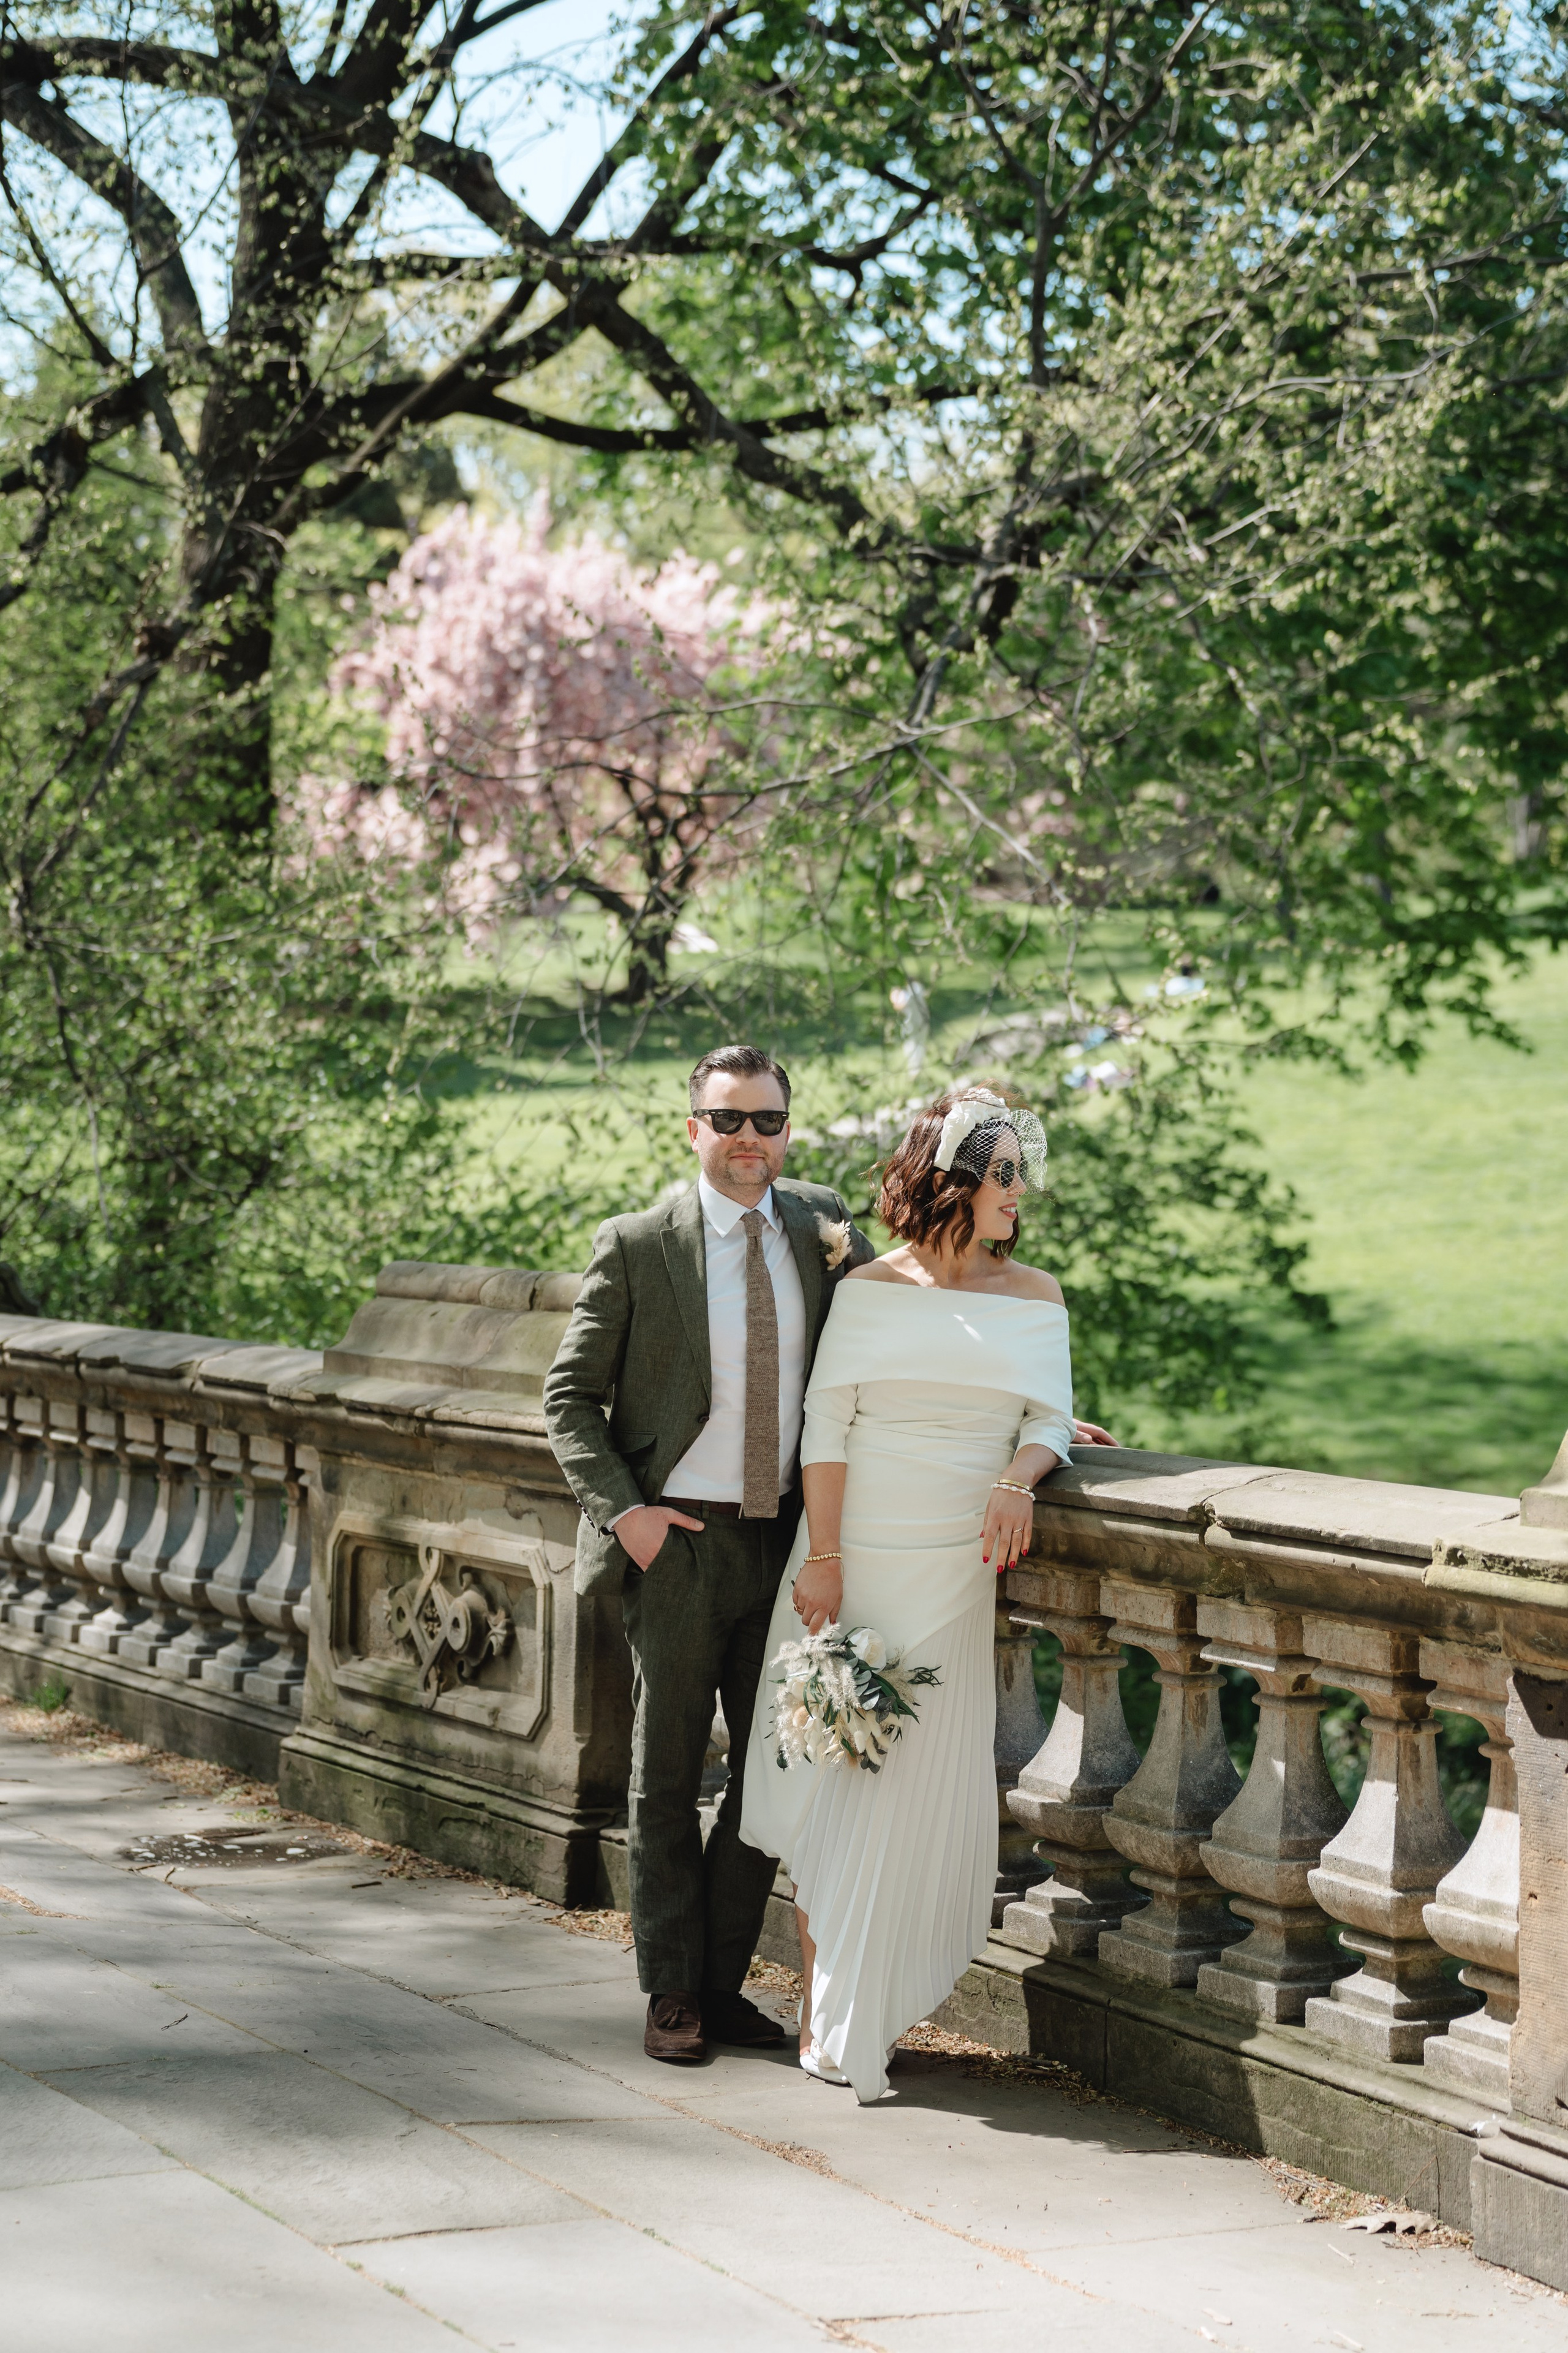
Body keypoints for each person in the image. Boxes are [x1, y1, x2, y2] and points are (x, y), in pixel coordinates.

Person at [738, 1086, 1095, 2102]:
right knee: (832, 1783)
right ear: (955, 1181)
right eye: (1006, 1174)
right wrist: (827, 1558)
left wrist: (1018, 1477)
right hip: (854, 1556)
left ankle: (873, 2011)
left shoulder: (1038, 1294)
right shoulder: (868, 1290)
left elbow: (1050, 1419)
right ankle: (826, 2012)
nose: (1021, 1193)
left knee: (908, 1791)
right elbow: (829, 1426)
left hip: (956, 1565)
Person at [543, 1044, 876, 2064]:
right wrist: (628, 1515)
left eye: (766, 1122)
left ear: (787, 1130)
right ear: (693, 1127)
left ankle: (723, 1985)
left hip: (785, 1545)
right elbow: (568, 1401)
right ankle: (671, 1991)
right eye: (728, 1120)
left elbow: (902, 1338)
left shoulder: (825, 1226)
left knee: (772, 1775)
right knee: (665, 1771)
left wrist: (1038, 1417)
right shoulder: (641, 1244)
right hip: (677, 1543)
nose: (748, 1141)